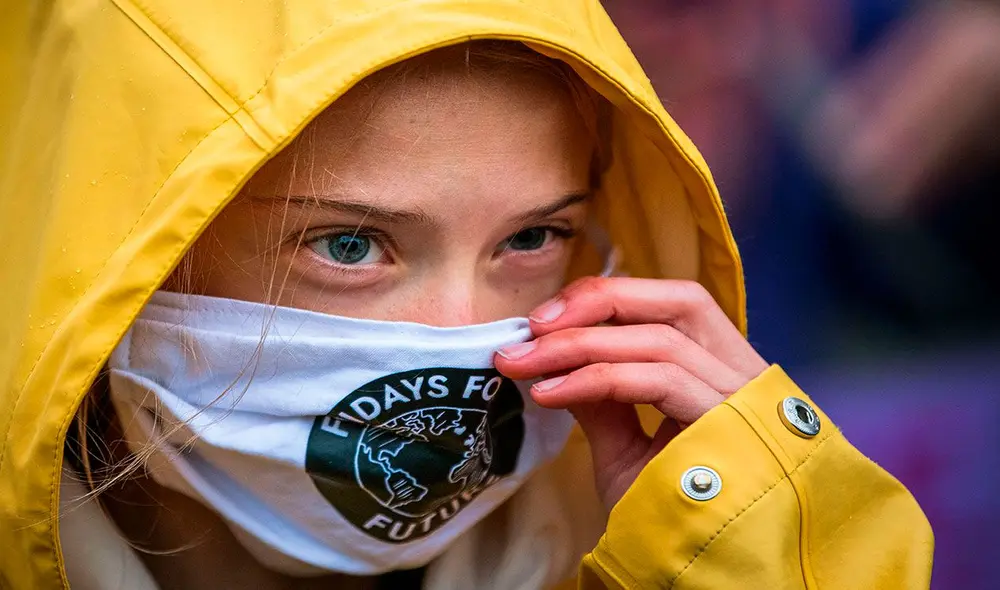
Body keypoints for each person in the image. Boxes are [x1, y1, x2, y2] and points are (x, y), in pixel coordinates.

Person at [0, 1, 931, 589]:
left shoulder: (635, 547)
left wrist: (757, 545)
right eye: (351, 243)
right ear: (121, 251)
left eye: (531, 238)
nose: (465, 336)